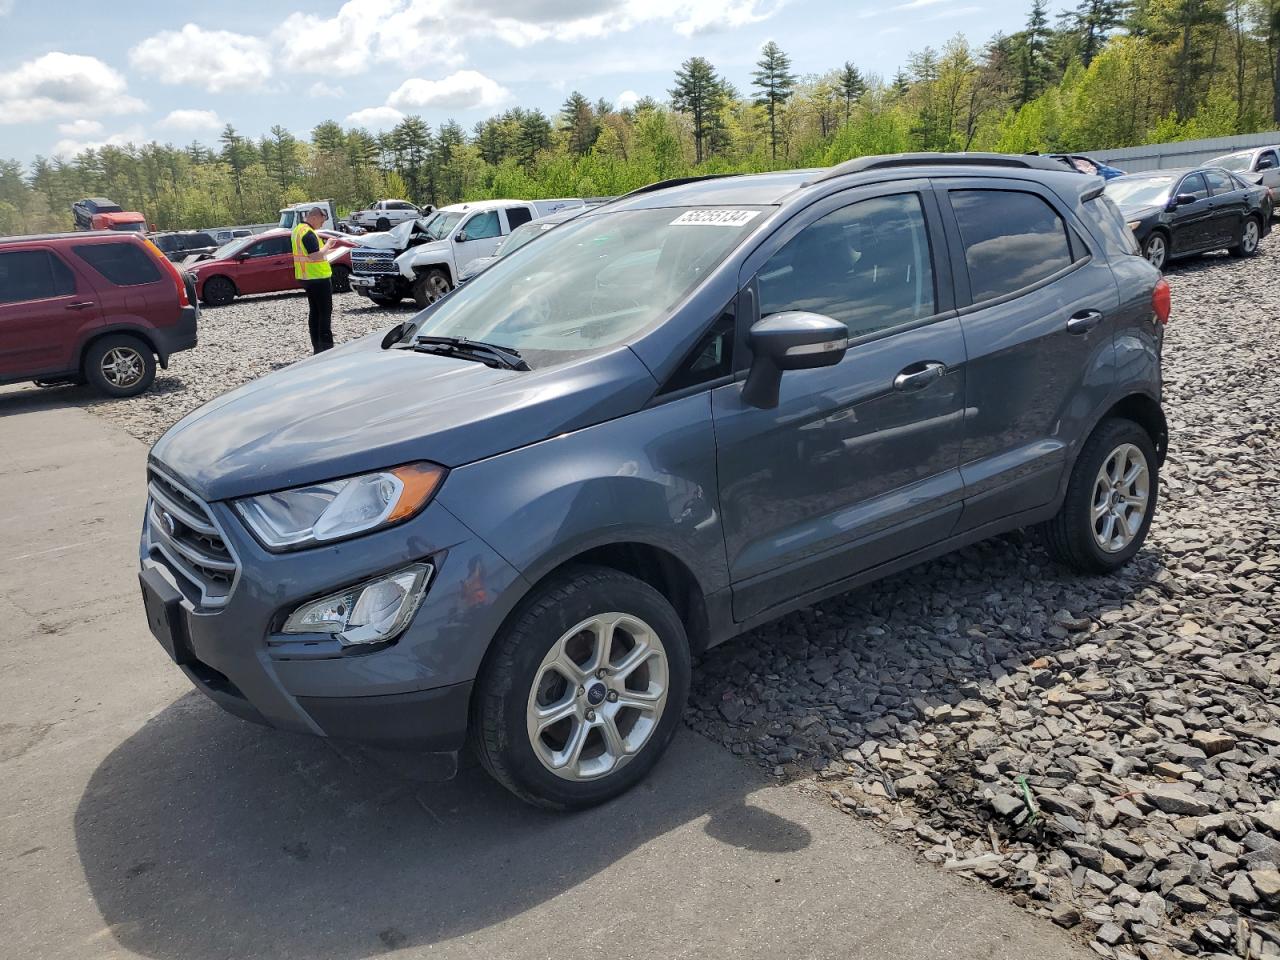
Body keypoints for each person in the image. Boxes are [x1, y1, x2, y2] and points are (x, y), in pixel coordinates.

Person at [291, 207, 337, 353]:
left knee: (315, 312)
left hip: (307, 277)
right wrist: (328, 244)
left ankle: (317, 347)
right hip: (318, 278)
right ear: (315, 217)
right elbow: (315, 256)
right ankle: (326, 348)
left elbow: (310, 254)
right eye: (322, 221)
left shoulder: (298, 230)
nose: (322, 225)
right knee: (324, 313)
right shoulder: (308, 233)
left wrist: (329, 250)